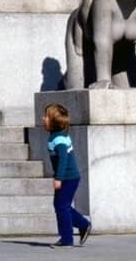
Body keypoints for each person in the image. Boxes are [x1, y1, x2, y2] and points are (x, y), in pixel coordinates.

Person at [42, 101, 92, 245]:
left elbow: (63, 159)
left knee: (62, 206)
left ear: (53, 122)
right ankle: (83, 225)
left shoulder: (59, 139)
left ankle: (67, 239)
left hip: (68, 178)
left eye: (46, 116)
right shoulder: (56, 136)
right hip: (68, 177)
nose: (43, 119)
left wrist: (58, 178)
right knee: (61, 205)